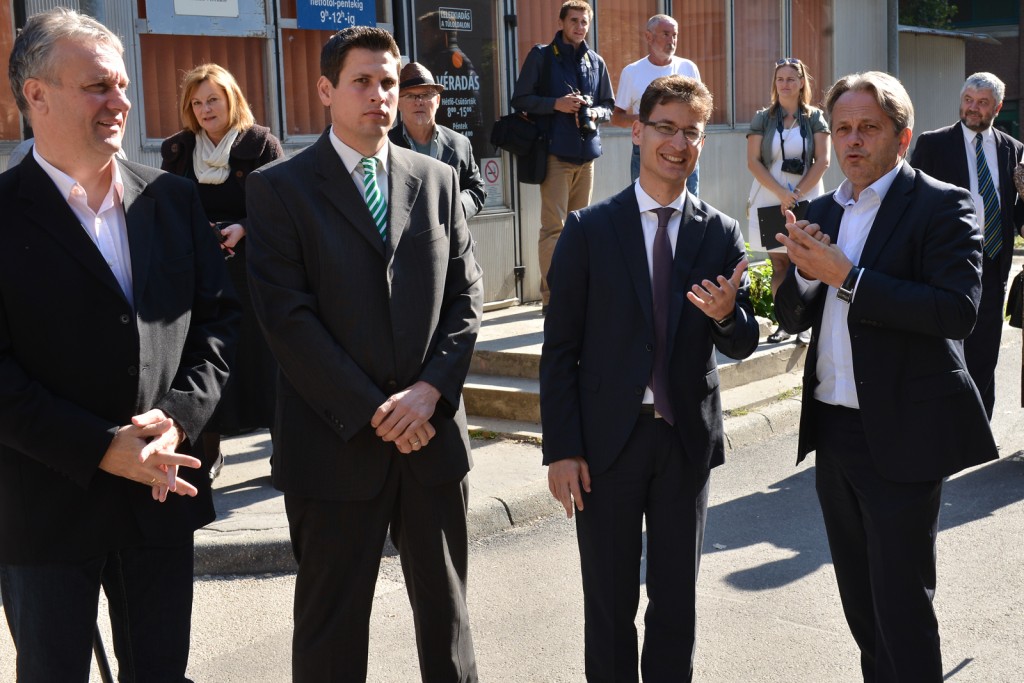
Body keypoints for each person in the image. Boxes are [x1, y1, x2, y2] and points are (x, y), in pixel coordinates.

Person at [0, 8, 239, 681]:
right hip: (45, 503)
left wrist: (180, 417)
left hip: (159, 495)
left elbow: (218, 323)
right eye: (97, 86)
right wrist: (101, 448)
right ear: (36, 94)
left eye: (123, 86)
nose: (120, 102)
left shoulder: (172, 199)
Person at [245, 26, 483, 682]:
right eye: (362, 82)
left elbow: (466, 297)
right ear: (326, 90)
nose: (380, 95)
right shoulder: (279, 189)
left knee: (449, 625)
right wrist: (378, 411)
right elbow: (288, 322)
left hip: (431, 438)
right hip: (334, 444)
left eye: (388, 82)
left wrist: (430, 392)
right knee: (331, 633)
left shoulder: (437, 179)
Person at [774, 71, 997, 681]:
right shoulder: (821, 210)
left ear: (902, 137)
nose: (852, 140)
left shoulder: (943, 204)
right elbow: (793, 315)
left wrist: (848, 277)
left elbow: (957, 310)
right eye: (842, 128)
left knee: (901, 607)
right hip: (833, 432)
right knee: (861, 607)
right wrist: (804, 274)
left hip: (904, 430)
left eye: (868, 128)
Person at [540, 75, 759, 682]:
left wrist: (727, 316)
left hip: (684, 441)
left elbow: (742, 341)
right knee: (609, 604)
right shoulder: (589, 230)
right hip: (605, 445)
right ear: (636, 132)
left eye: (692, 132)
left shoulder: (719, 233)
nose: (678, 142)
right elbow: (559, 351)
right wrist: (561, 450)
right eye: (665, 127)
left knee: (676, 603)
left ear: (702, 143)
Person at [161, 64, 284, 477]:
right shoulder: (178, 149)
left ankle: (283, 456)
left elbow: (283, 207)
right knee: (205, 359)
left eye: (213, 99)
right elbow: (167, 210)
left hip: (254, 276)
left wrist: (244, 227)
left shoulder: (260, 144)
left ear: (232, 100)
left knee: (266, 365)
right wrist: (202, 233)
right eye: (197, 103)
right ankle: (208, 455)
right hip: (201, 277)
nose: (205, 109)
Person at [910, 72, 1024, 419]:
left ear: (997, 108)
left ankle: (979, 428)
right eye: (968, 100)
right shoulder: (933, 144)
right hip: (946, 261)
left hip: (993, 260)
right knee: (945, 349)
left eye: (982, 103)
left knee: (985, 351)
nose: (973, 108)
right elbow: (912, 202)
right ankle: (944, 427)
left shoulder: (1012, 149)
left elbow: (1017, 210)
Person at [511, 0, 614, 312]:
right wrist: (556, 104)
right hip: (555, 153)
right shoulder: (542, 56)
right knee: (554, 229)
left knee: (579, 230)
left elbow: (608, 106)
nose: (579, 27)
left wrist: (593, 112)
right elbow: (521, 99)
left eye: (584, 22)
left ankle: (576, 294)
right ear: (561, 22)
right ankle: (552, 299)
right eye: (574, 20)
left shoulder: (596, 61)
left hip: (587, 156)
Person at [746, 57, 831, 344]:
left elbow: (823, 161)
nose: (785, 84)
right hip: (769, 198)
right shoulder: (763, 118)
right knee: (780, 265)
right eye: (780, 79)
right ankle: (786, 323)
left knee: (805, 263)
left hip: (807, 199)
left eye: (791, 79)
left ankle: (806, 323)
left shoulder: (815, 117)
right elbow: (753, 162)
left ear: (801, 82)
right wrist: (782, 194)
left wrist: (795, 195)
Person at [612, 14, 701, 193]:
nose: (672, 40)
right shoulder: (632, 72)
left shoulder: (688, 68)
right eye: (666, 34)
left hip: (683, 147)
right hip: (647, 150)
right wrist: (649, 119)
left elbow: (701, 112)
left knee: (687, 205)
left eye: (675, 35)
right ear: (649, 37)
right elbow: (616, 118)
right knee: (645, 203)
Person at [388, 61, 486, 220]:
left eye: (426, 95)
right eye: (410, 95)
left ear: (438, 100)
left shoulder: (459, 143)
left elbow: (477, 189)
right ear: (398, 103)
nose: (419, 101)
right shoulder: (385, 145)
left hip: (450, 234)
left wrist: (454, 209)